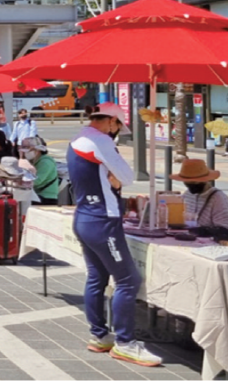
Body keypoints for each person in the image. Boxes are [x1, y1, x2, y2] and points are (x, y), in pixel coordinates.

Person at [68, 103, 160, 367]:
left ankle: (99, 335)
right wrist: (116, 179)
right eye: (118, 126)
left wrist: (113, 178)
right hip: (102, 220)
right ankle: (125, 343)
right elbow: (128, 177)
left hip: (84, 217)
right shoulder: (101, 141)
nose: (117, 131)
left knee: (97, 277)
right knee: (129, 280)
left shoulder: (78, 138)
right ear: (110, 121)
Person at [173, 160, 228, 228]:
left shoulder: (218, 198)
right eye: (187, 183)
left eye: (194, 183)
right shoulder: (187, 194)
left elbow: (224, 227)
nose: (190, 186)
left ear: (205, 180)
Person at [20, 136, 59, 205]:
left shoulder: (46, 162)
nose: (26, 153)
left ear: (38, 150)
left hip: (46, 198)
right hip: (35, 195)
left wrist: (20, 182)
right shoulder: (33, 161)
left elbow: (37, 181)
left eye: (30, 150)